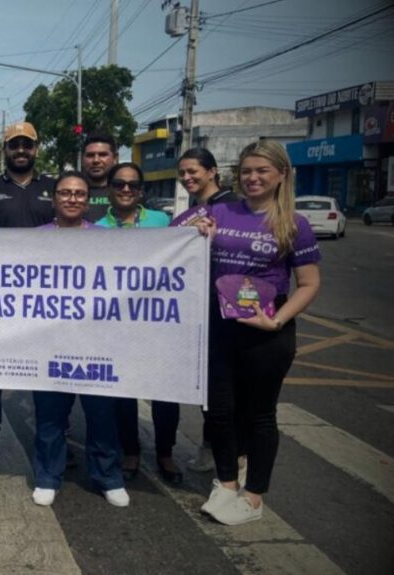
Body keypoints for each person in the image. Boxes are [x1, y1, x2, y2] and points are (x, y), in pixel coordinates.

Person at [194, 140, 320, 525]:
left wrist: (277, 320)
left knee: (260, 415)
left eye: (262, 171)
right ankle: (227, 484)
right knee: (219, 411)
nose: (252, 178)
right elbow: (175, 244)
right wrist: (200, 238)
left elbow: (309, 283)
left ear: (282, 174)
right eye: (247, 170)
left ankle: (253, 497)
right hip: (219, 327)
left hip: (266, 334)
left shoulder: (294, 224)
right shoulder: (217, 210)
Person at [32, 170, 128, 508]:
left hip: (95, 344)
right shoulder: (35, 239)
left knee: (101, 414)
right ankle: (47, 476)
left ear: (88, 200)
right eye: (65, 193)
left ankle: (108, 477)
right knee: (49, 416)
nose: (72, 198)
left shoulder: (106, 238)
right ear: (54, 198)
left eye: (79, 193)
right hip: (50, 343)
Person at [0, 121, 55, 466]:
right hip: (0, 296)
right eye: (13, 145)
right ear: (4, 150)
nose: (21, 151)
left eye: (27, 145)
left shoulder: (54, 187)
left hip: (47, 295)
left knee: (48, 377)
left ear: (36, 149)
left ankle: (52, 444)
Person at [94, 162, 182, 485]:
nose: (126, 190)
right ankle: (131, 450)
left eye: (132, 185)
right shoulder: (98, 229)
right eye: (119, 184)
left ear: (142, 190)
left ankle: (165, 453)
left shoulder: (164, 222)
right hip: (119, 327)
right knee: (123, 393)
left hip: (160, 323)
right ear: (109, 189)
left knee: (165, 392)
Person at [176, 147, 239, 474]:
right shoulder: (191, 211)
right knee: (207, 384)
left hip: (227, 310)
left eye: (193, 171)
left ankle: (230, 456)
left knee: (225, 388)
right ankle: (211, 444)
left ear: (212, 171)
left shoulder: (233, 207)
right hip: (195, 311)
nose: (187, 178)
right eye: (183, 173)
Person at [81, 132, 118, 222]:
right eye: (90, 155)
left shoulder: (126, 192)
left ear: (115, 158)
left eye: (102, 155)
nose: (96, 160)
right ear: (82, 159)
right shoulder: (71, 193)